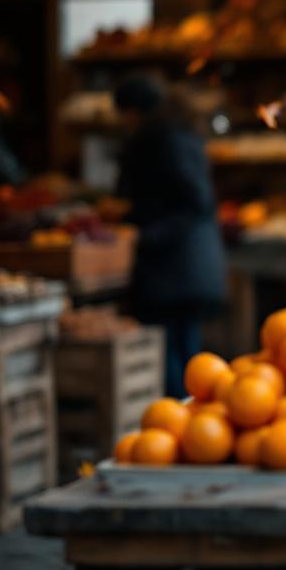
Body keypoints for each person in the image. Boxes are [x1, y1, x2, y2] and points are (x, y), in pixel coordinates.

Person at [114, 75, 227, 398]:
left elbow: (195, 202)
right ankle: (191, 415)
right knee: (184, 350)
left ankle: (184, 418)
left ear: (133, 111)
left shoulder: (164, 141)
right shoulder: (177, 135)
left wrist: (145, 235)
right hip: (186, 262)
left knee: (173, 357)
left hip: (175, 264)